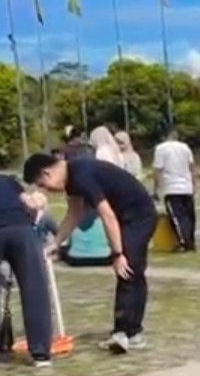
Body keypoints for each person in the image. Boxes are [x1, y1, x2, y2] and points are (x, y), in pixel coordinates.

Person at [23, 148, 158, 354]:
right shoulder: (73, 178)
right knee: (132, 272)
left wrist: (117, 254)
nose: (48, 190)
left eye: (43, 185)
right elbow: (74, 213)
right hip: (125, 217)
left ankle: (127, 332)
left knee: (127, 269)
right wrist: (56, 243)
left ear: (47, 173)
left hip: (139, 216)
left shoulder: (82, 174)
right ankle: (129, 331)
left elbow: (106, 214)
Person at [0, 175, 53, 366]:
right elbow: (31, 204)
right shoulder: (9, 181)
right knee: (34, 289)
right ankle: (40, 352)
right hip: (21, 229)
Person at [153, 125, 197, 252]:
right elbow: (192, 167)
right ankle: (190, 240)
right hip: (186, 186)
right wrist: (194, 185)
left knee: (177, 217)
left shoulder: (161, 149)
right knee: (189, 216)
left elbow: (158, 170)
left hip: (171, 187)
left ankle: (184, 242)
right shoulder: (185, 147)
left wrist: (157, 189)